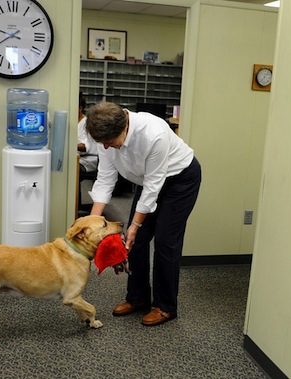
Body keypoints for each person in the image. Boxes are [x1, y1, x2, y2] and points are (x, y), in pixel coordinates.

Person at [85, 101, 201, 326]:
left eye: (110, 143)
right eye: (103, 144)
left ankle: (166, 306)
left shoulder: (154, 133)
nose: (106, 148)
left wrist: (135, 225)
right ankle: (137, 298)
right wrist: (91, 224)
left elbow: (153, 186)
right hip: (147, 180)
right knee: (134, 243)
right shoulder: (105, 136)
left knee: (166, 242)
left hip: (180, 180)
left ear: (124, 128)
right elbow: (106, 178)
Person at [77, 93, 98, 175]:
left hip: (89, 159)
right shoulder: (74, 122)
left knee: (72, 170)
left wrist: (70, 145)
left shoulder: (86, 123)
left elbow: (85, 147)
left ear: (80, 108)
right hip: (79, 157)